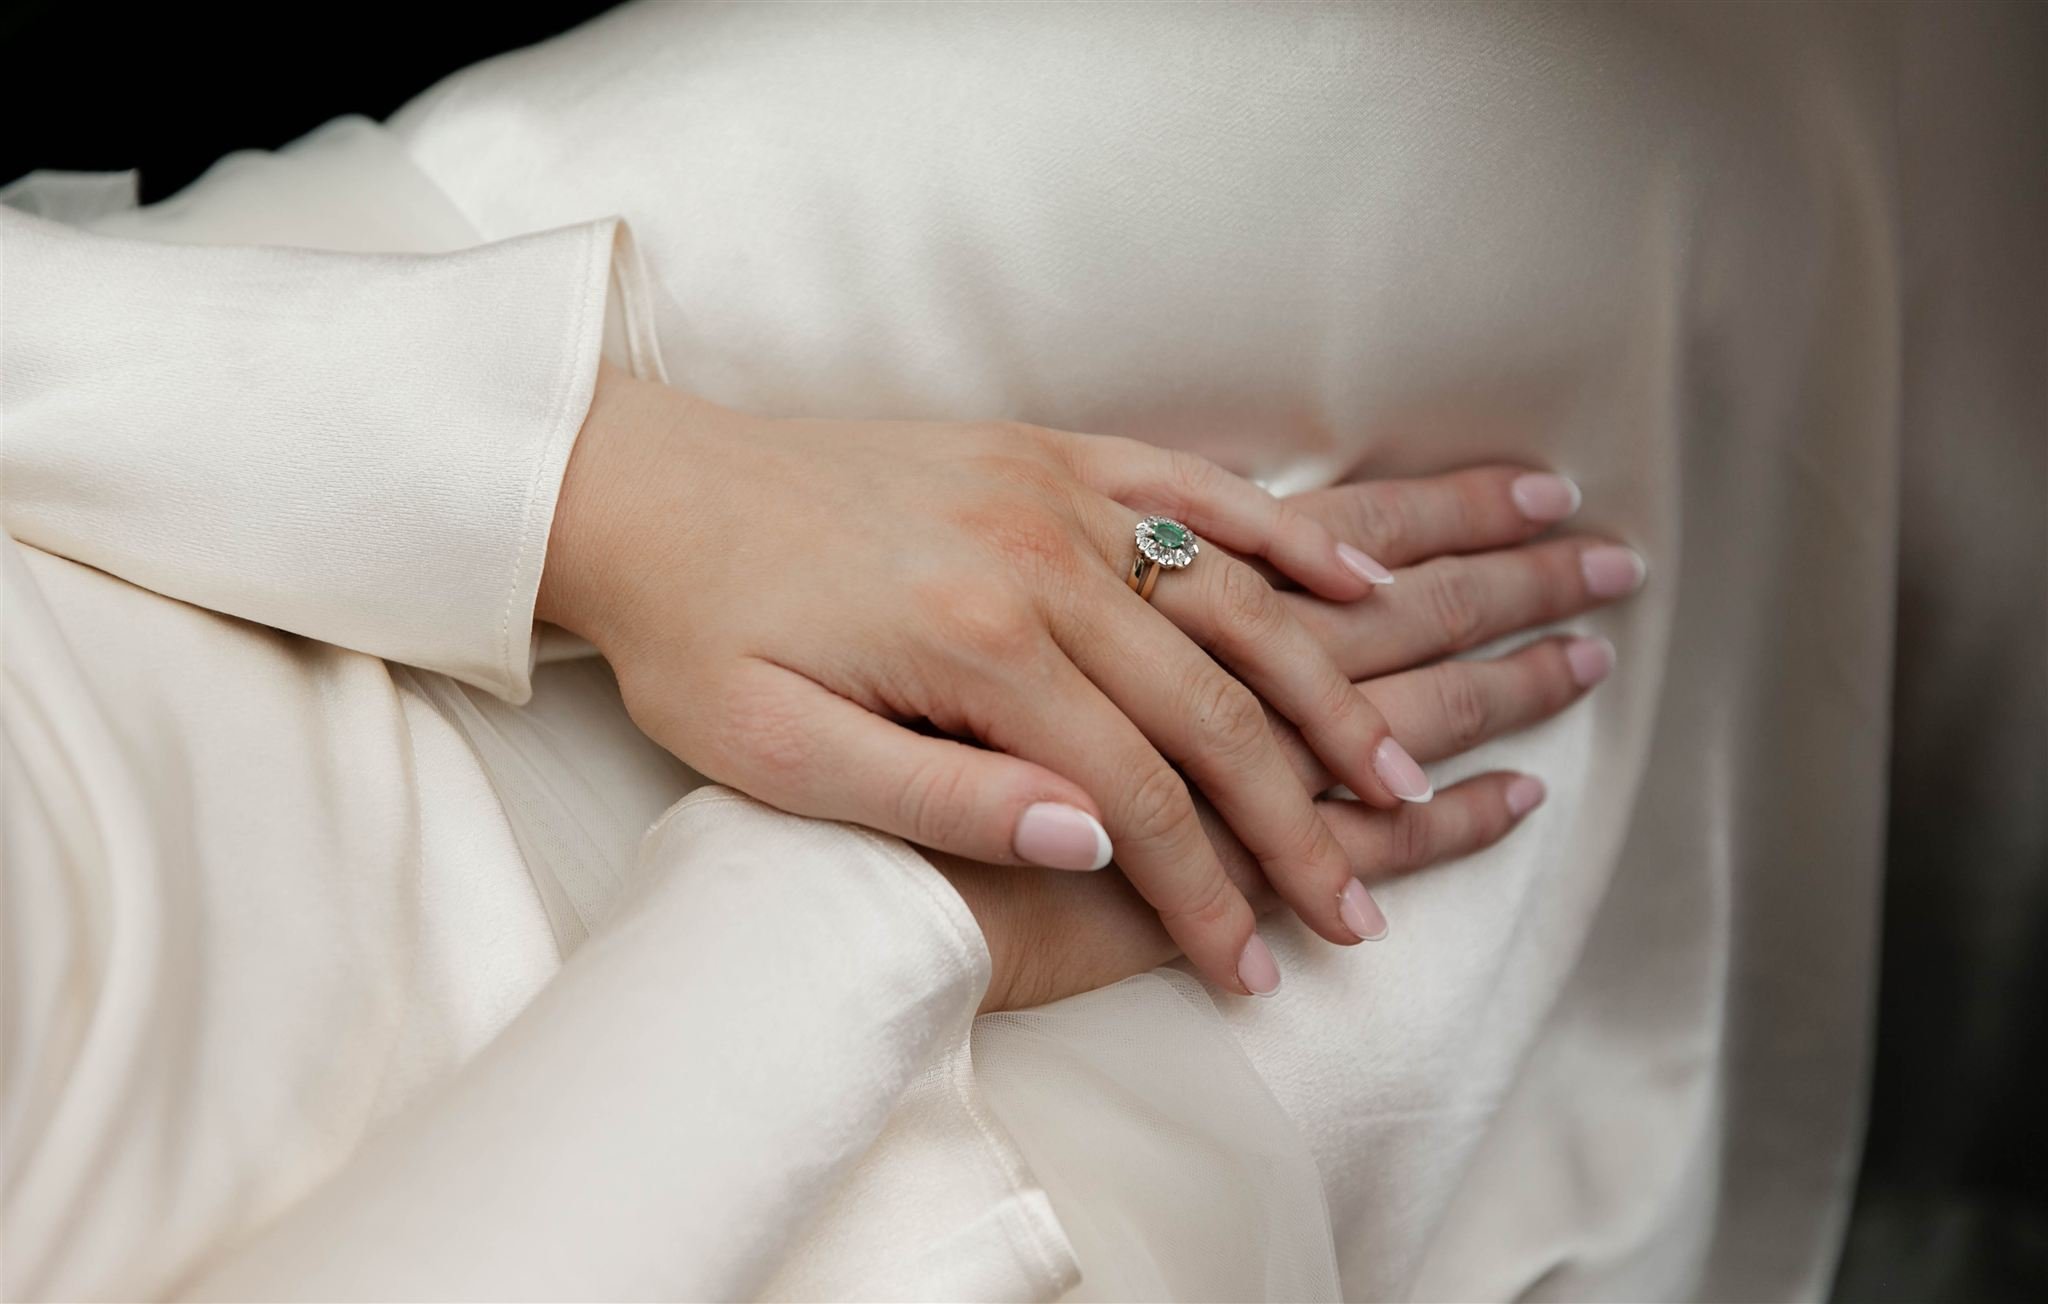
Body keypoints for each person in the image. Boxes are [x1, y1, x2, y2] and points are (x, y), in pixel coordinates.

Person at [3, 3, 1921, 1299]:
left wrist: (605, 486)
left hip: (245, 426)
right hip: (717, 1123)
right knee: (1610, 699)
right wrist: (866, 910)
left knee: (1583, 112)